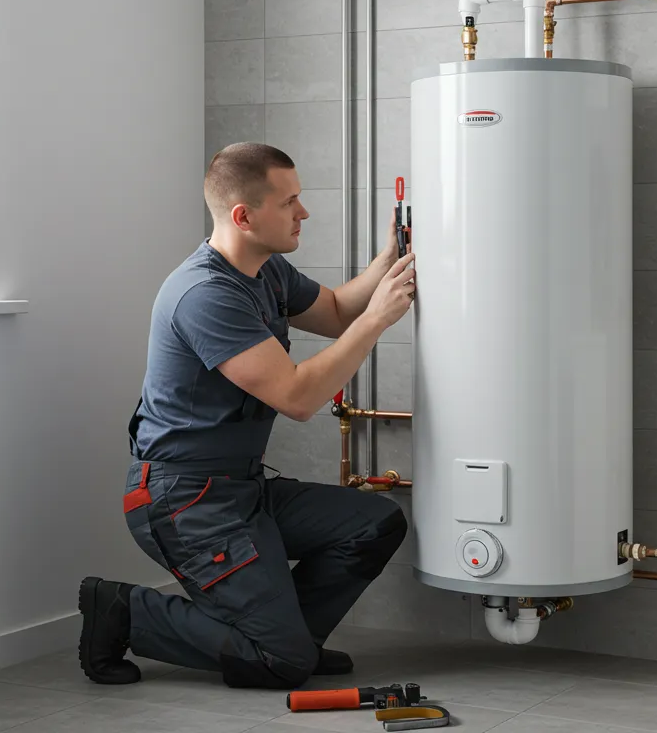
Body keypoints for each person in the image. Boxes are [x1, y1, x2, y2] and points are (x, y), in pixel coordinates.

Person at [78, 142, 416, 690]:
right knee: (278, 664)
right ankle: (122, 611)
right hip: (183, 502)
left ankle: (290, 642)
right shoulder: (205, 294)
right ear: (244, 216)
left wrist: (387, 261)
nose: (303, 212)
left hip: (239, 490)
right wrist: (376, 321)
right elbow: (299, 398)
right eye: (291, 202)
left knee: (374, 522)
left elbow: (332, 313)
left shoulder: (266, 271)